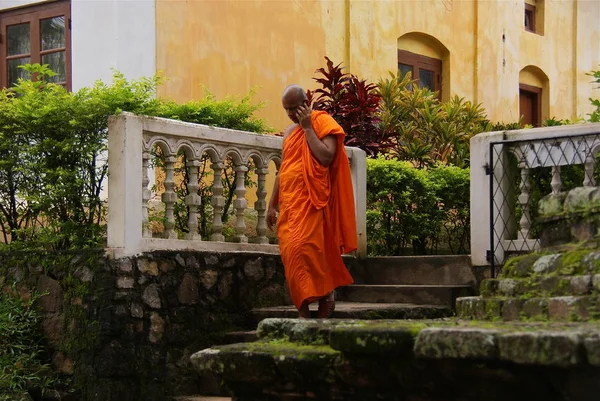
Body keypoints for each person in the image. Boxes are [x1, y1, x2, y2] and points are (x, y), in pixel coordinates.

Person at [267, 84, 357, 319]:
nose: (290, 113)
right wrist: (271, 204)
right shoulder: (288, 132)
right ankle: (303, 310)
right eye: (287, 109)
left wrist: (307, 128)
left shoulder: (322, 123)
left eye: (295, 108)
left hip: (312, 201)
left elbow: (326, 157)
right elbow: (283, 169)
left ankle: (326, 295)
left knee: (307, 249)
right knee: (290, 254)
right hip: (289, 203)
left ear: (307, 103)